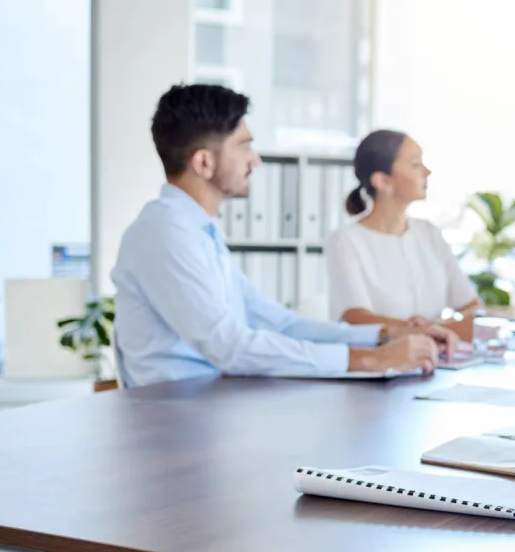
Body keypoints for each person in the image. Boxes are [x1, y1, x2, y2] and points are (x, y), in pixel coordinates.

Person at [113, 85, 455, 388]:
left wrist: (385, 336)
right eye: (244, 146)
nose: (256, 161)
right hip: (170, 418)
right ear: (203, 163)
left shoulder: (199, 232)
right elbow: (230, 348)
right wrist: (370, 360)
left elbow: (280, 323)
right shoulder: (166, 234)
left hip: (210, 402)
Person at [324, 130, 481, 332]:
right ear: (382, 181)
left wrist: (436, 329)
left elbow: (472, 307)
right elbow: (355, 318)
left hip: (438, 357)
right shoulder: (345, 241)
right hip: (379, 359)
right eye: (415, 164)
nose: (427, 172)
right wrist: (427, 330)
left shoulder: (429, 233)